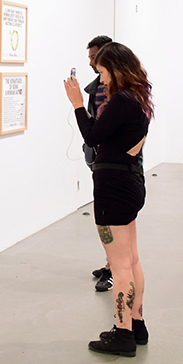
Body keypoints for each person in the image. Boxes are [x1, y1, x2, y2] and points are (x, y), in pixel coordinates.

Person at [64, 42, 153, 357]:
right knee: (131, 259)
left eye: (102, 72)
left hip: (113, 187)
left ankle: (123, 333)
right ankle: (136, 322)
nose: (100, 80)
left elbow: (92, 135)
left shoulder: (121, 102)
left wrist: (77, 103)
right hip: (130, 182)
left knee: (119, 265)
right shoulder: (140, 99)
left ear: (116, 69)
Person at [84, 35, 115, 292]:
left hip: (115, 166)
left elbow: (97, 131)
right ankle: (110, 263)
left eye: (95, 58)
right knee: (103, 218)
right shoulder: (96, 87)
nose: (92, 64)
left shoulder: (121, 94)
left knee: (111, 220)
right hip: (101, 161)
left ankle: (114, 267)